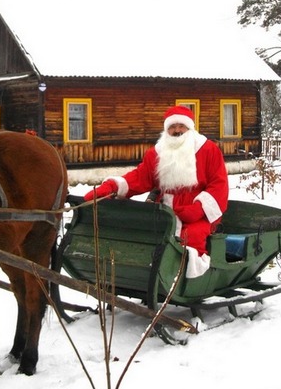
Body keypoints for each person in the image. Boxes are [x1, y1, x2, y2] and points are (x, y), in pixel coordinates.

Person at [83, 105, 229, 277]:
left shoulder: (208, 149)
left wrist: (197, 209)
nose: (176, 131)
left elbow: (219, 184)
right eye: (172, 127)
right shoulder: (157, 153)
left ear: (189, 128)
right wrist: (112, 187)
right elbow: (139, 177)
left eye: (181, 126)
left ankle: (186, 279)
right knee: (144, 236)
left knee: (192, 236)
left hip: (198, 215)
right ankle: (144, 272)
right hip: (165, 211)